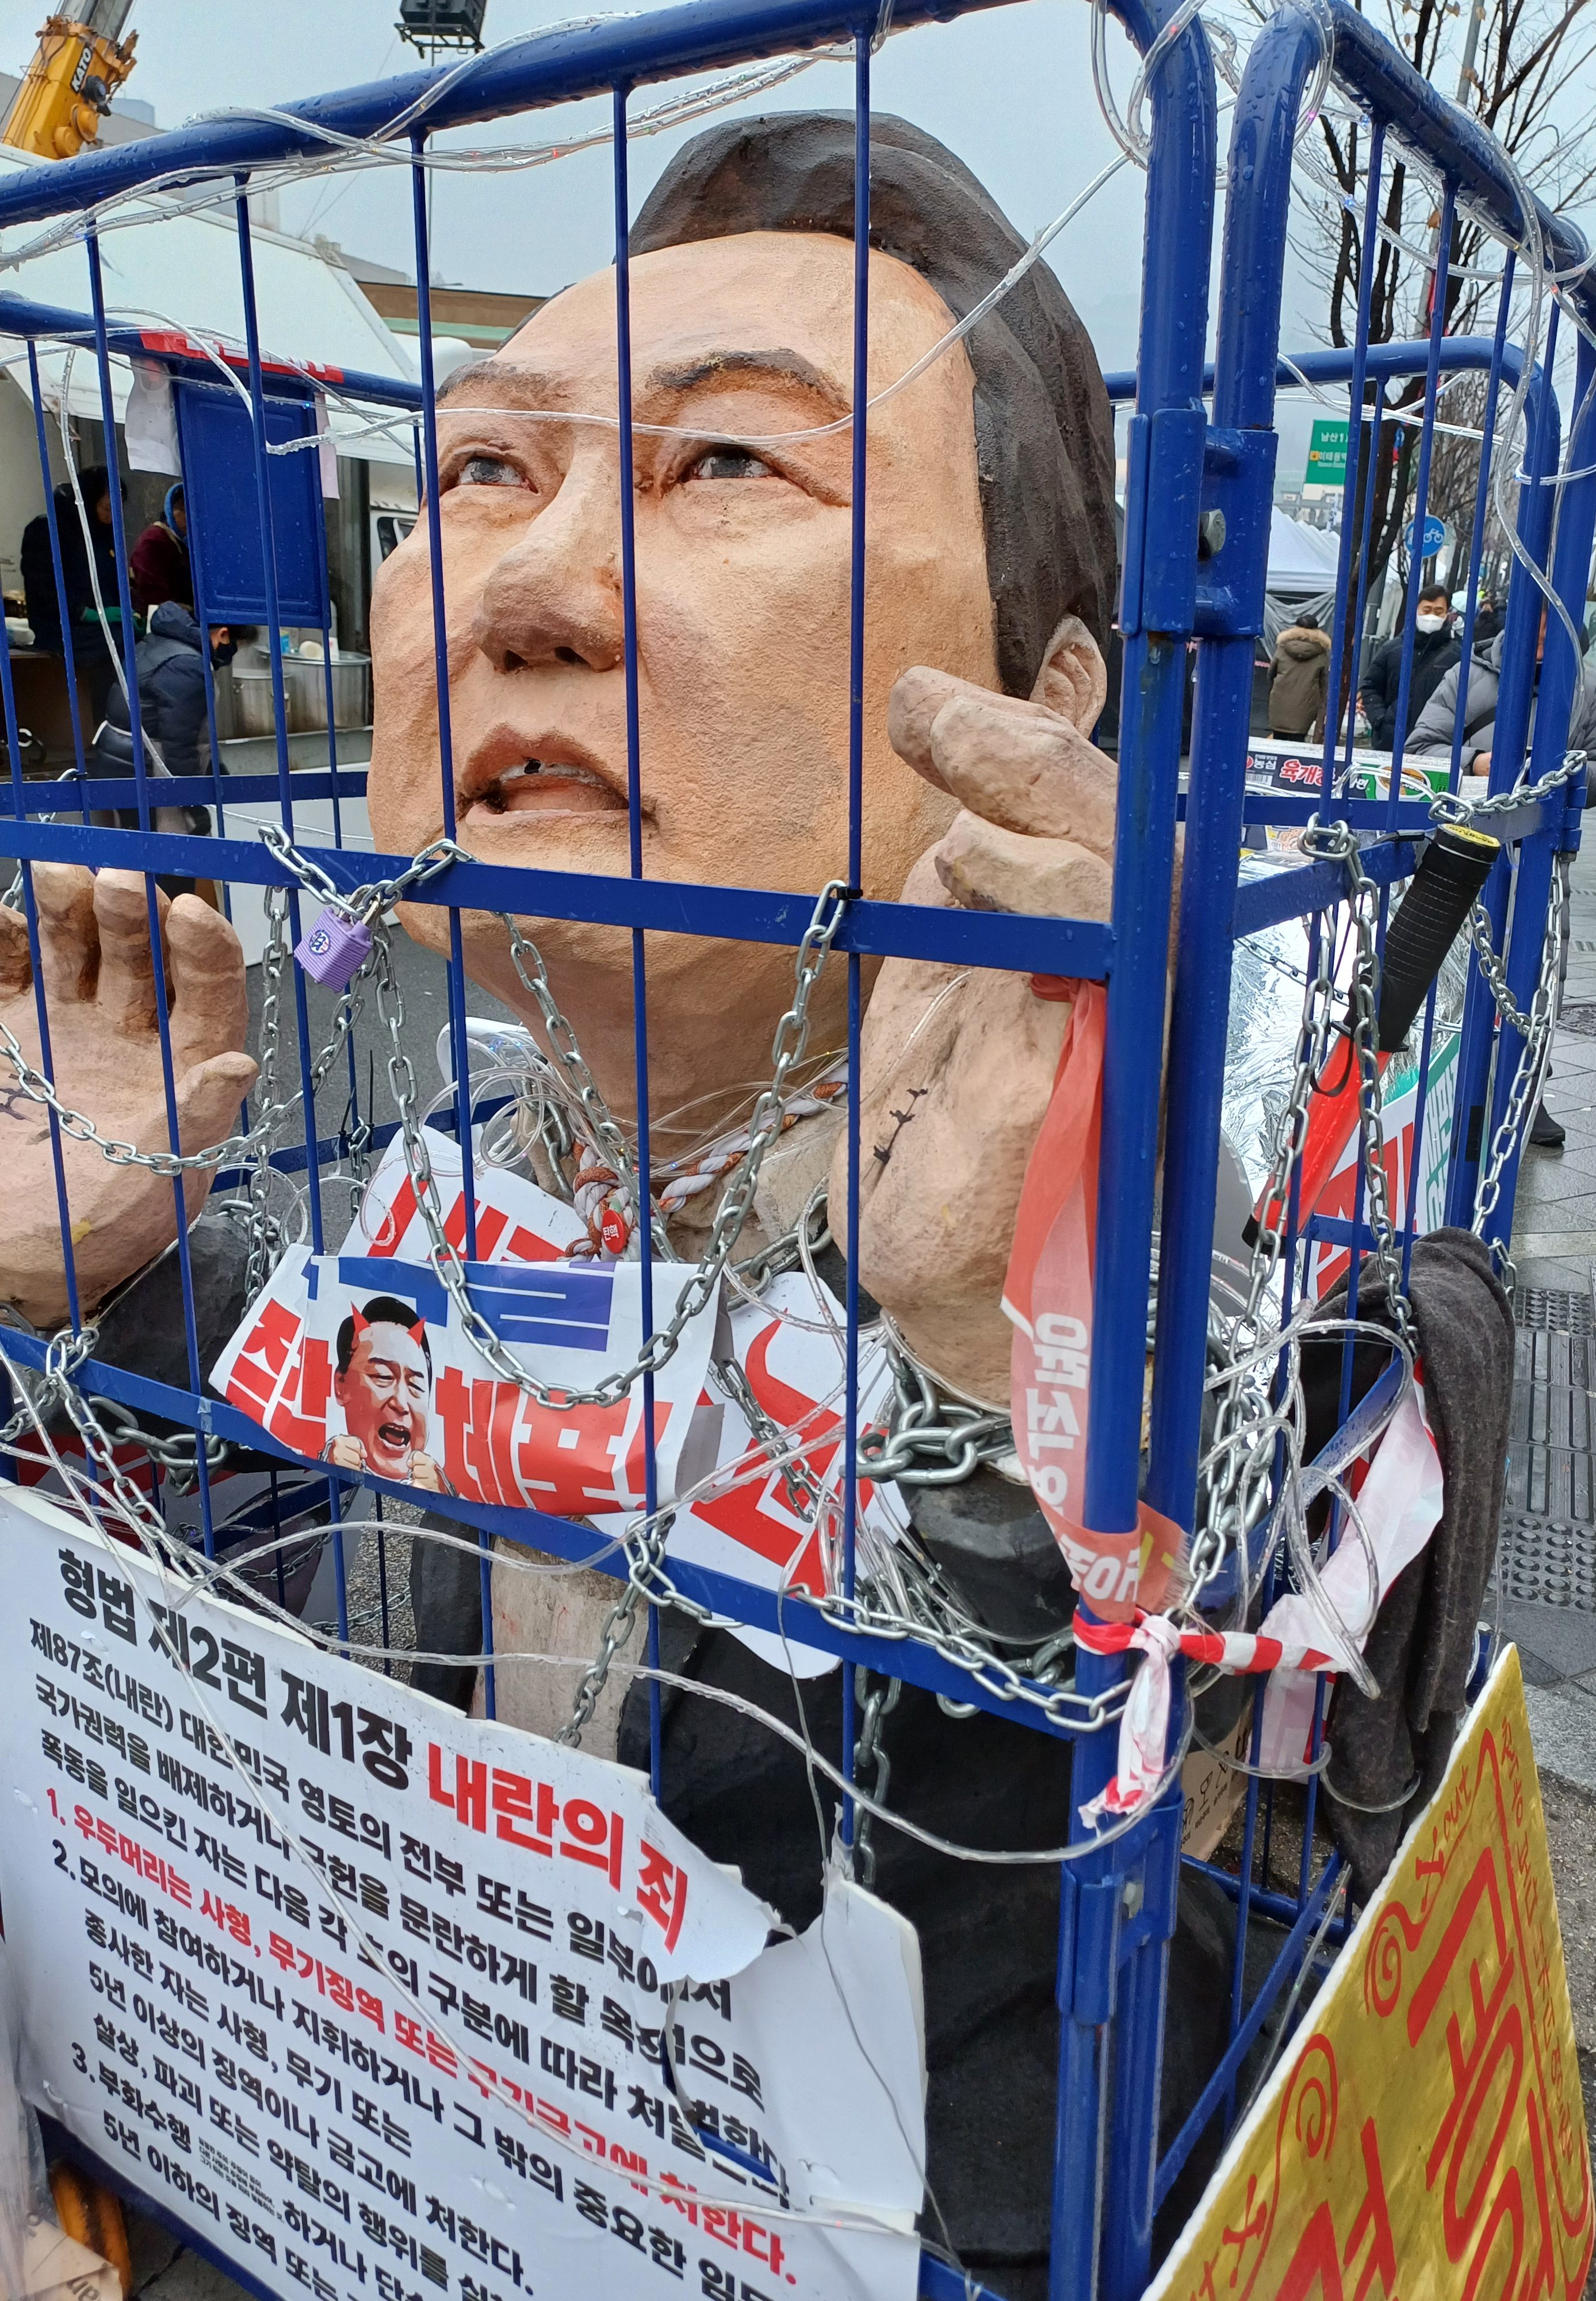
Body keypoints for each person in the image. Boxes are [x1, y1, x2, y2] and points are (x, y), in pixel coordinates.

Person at [0, 115, 1237, 2277]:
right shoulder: (441, 1183)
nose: (534, 587)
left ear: (1038, 704)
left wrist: (1015, 1357)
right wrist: (93, 1292)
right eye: (481, 471)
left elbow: (1122, 1901)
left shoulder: (1122, 1214)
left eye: (729, 469)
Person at [1408, 605, 1596, 1147]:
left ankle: (1524, 1093)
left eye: (1558, 630)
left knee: (1532, 969)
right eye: (1538, 625)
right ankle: (1438, 1088)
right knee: (1448, 966)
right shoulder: (1467, 674)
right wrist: (1480, 762)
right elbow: (1420, 748)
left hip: (1539, 854)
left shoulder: (1590, 691)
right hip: (1463, 845)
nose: (1543, 639)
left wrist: (1569, 776)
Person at [91, 602, 255, 895]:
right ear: (224, 635)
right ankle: (169, 928)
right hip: (148, 769)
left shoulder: (159, 641)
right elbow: (179, 743)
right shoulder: (189, 665)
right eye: (237, 645)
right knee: (170, 861)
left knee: (137, 859)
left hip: (121, 762)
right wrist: (193, 801)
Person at [19, 464, 124, 723]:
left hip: (99, 625)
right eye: (107, 508)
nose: (111, 516)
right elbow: (42, 589)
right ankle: (106, 728)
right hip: (59, 626)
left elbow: (113, 581)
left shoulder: (101, 534)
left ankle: (131, 726)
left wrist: (126, 610)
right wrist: (83, 612)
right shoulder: (47, 530)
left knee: (137, 643)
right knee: (113, 649)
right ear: (87, 500)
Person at [325, 1297, 449, 1490]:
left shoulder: (443, 1482)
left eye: (416, 1386)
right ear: (341, 1386)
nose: (401, 1403)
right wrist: (327, 1459)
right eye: (383, 1376)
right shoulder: (332, 1453)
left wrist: (446, 1492)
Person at [1355, 582, 1460, 749]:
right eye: (1426, 610)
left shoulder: (1456, 655)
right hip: (1390, 740)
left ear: (1447, 614)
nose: (1432, 616)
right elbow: (1370, 686)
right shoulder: (1393, 649)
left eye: (1438, 611)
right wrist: (1381, 720)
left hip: (1434, 743)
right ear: (1417, 610)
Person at [127, 481, 196, 614]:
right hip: (163, 617)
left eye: (192, 511)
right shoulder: (153, 540)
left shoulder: (186, 542)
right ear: (170, 510)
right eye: (182, 510)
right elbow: (150, 591)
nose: (188, 517)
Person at [1266, 610, 1331, 737]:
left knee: (1278, 741)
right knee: (1298, 742)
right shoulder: (1321, 653)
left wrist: (1273, 691)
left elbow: (1271, 674)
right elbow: (1324, 685)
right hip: (1306, 707)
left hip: (1279, 702)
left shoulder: (1283, 647)